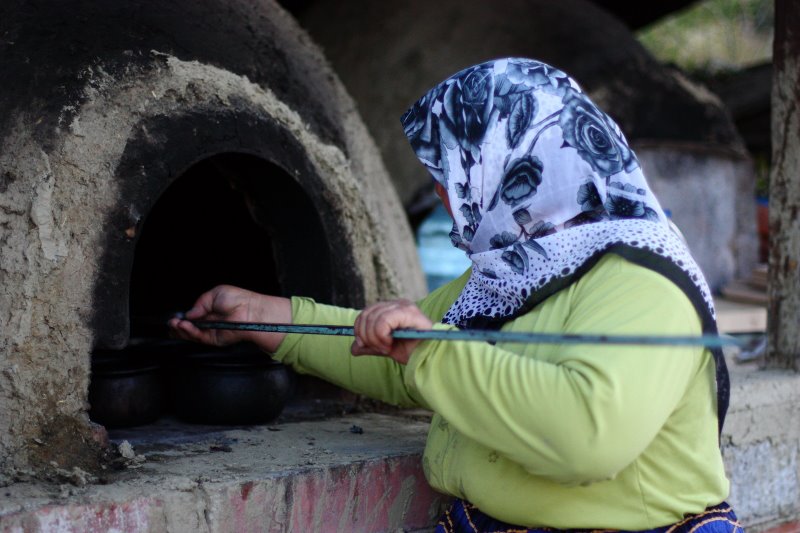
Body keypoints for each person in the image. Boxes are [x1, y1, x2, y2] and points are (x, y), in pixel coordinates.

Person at [169, 58, 742, 532]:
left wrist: (429, 350)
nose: (443, 192)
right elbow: (402, 358)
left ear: (517, 165)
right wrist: (262, 317)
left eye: (454, 169)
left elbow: (587, 438)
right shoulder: (517, 272)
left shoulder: (644, 281)